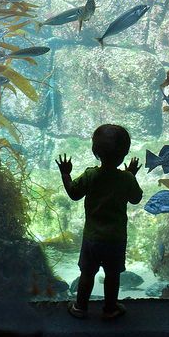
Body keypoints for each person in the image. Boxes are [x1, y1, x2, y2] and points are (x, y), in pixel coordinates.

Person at [56, 123, 143, 320]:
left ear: (95, 151)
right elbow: (136, 198)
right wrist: (131, 175)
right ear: (125, 153)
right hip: (116, 238)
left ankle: (80, 307)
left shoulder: (91, 175)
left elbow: (74, 193)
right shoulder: (126, 179)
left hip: (92, 238)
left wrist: (65, 173)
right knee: (113, 275)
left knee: (87, 273)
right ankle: (110, 308)